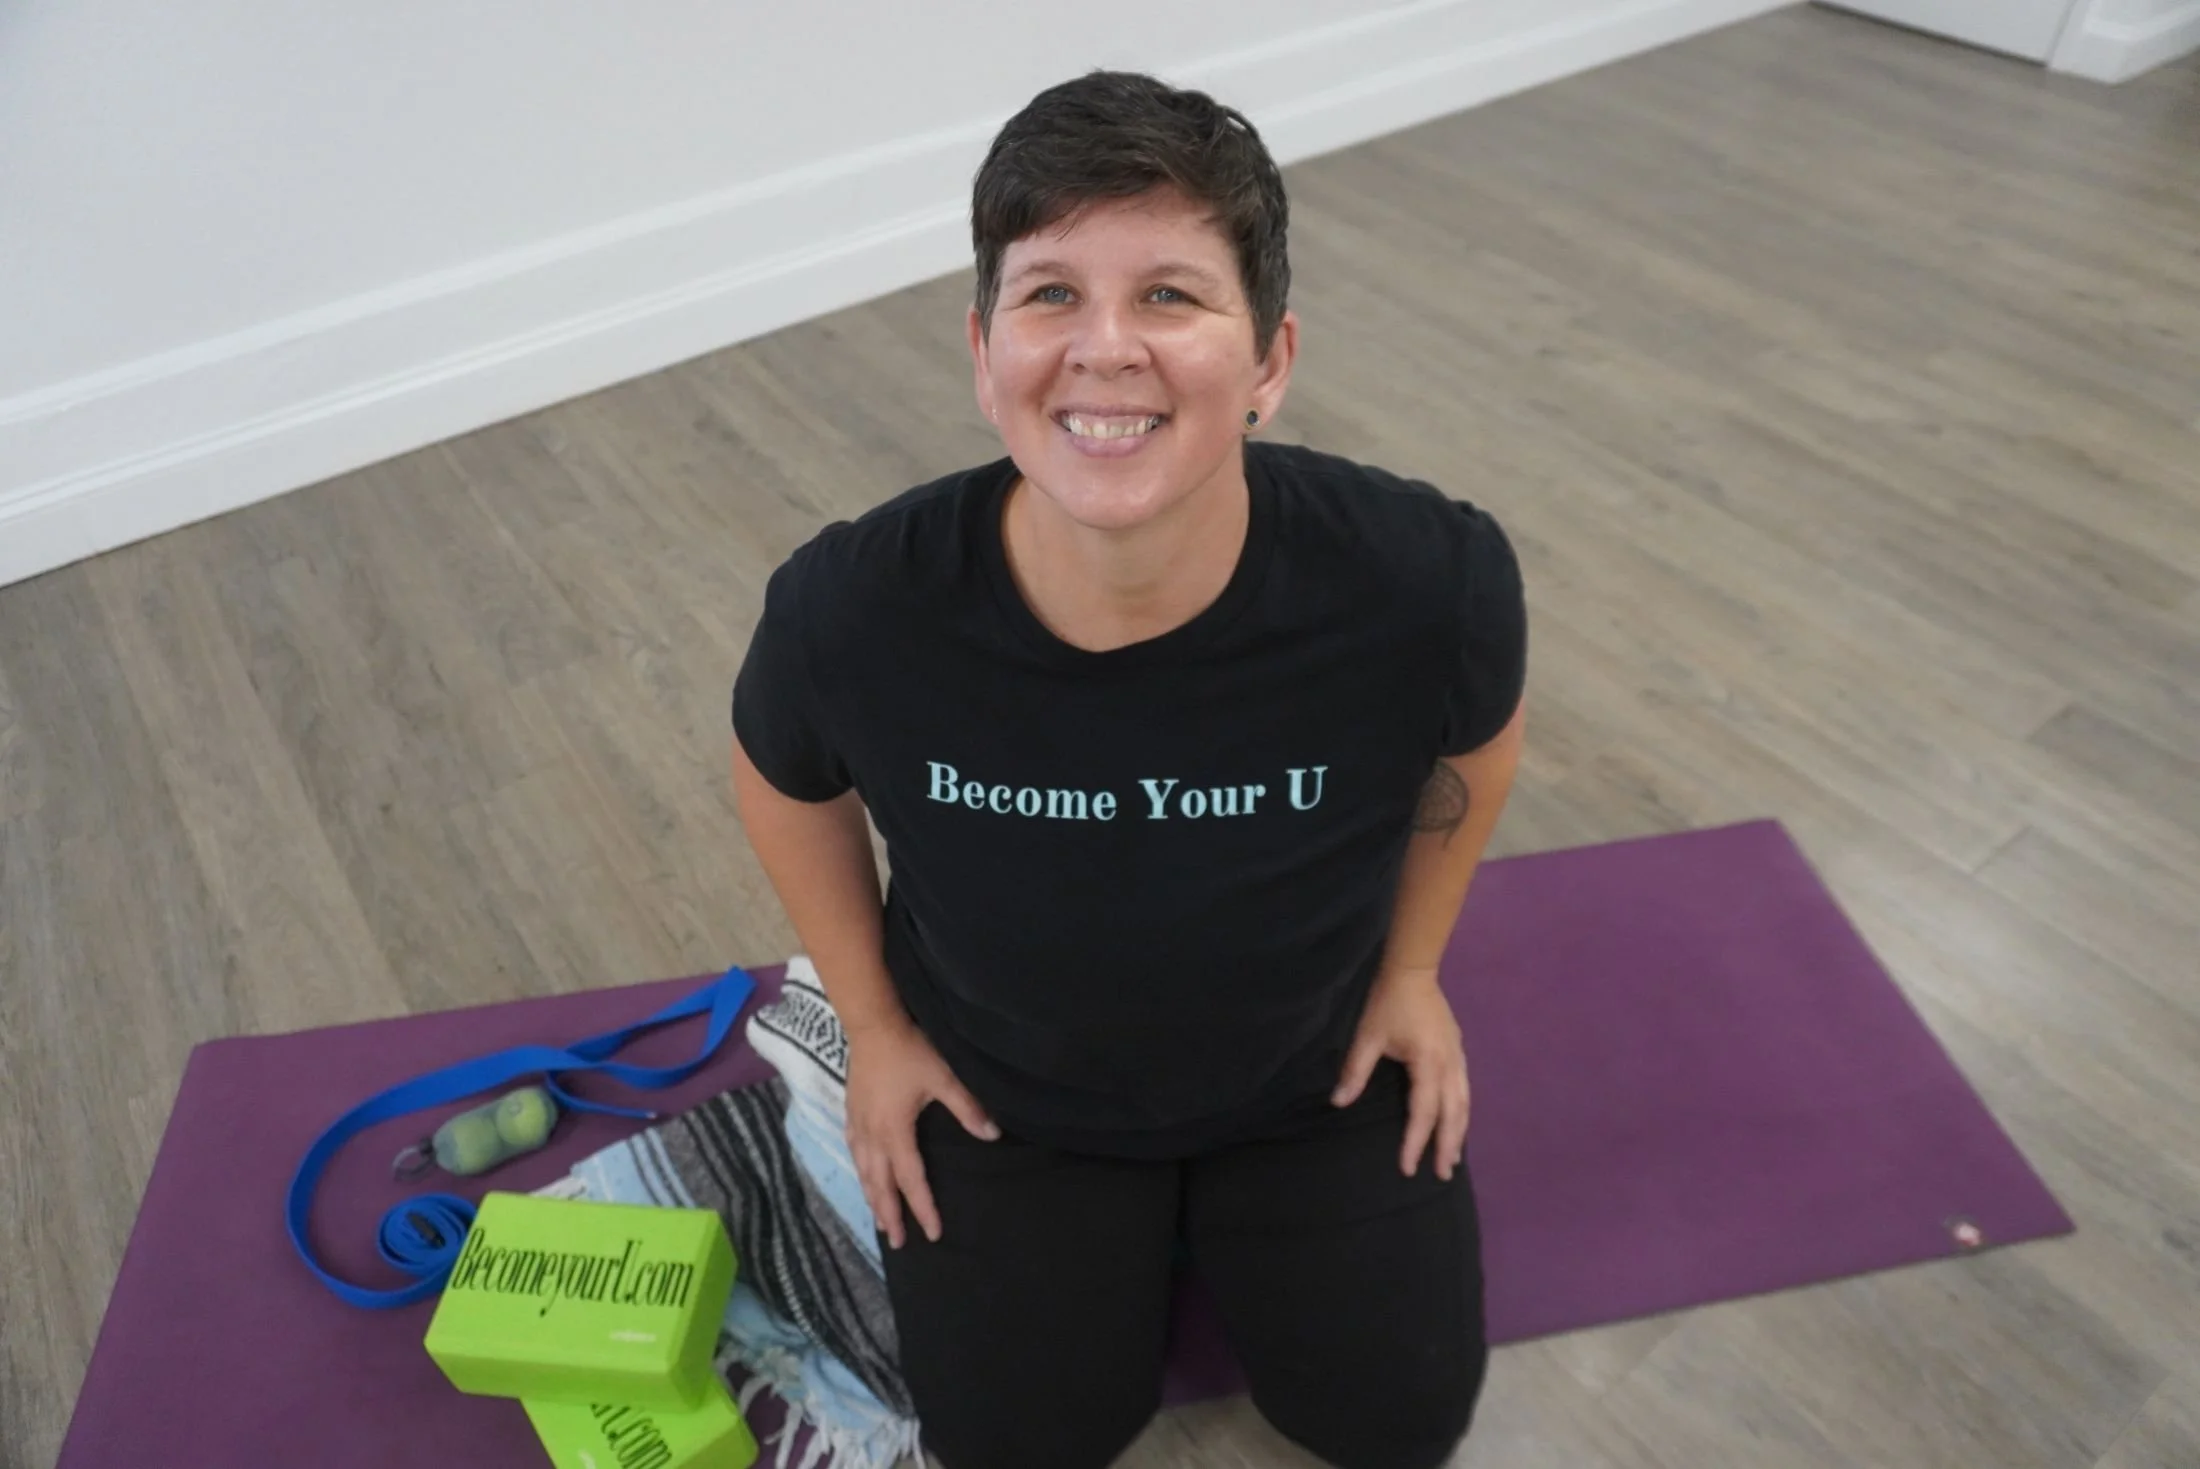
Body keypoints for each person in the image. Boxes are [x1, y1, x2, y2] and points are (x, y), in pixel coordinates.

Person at [729, 67, 1527, 1469]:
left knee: (1390, 1421)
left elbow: (1474, 748)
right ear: (983, 353)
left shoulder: (1426, 580)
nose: (1106, 349)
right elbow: (786, 783)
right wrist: (876, 1029)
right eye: (1051, 296)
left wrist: (1409, 978)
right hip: (1006, 1096)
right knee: (1025, 1442)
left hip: (1310, 1076)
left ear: (1271, 357)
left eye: (1170, 294)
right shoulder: (855, 608)